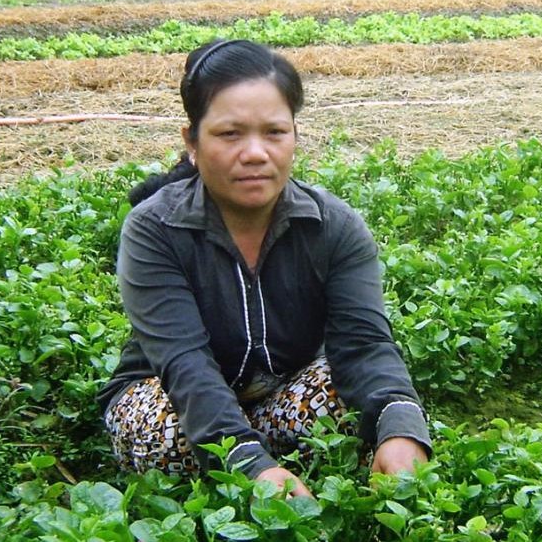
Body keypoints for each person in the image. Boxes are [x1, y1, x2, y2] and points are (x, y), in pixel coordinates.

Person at [97, 39, 430, 497]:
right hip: (173, 397)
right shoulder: (155, 228)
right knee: (163, 438)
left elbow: (365, 344)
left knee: (368, 402)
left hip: (279, 393)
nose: (255, 153)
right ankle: (256, 452)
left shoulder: (332, 226)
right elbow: (185, 364)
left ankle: (267, 445)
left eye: (274, 132)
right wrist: (249, 463)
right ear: (192, 142)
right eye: (230, 134)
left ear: (295, 135)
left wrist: (400, 429)